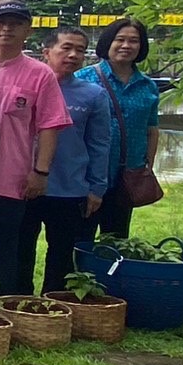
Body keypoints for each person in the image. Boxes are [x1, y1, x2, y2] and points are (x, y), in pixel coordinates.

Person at [0, 2, 71, 296]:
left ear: (27, 31)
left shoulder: (40, 75)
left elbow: (50, 125)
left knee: (6, 251)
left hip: (11, 179)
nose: (7, 29)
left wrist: (41, 171)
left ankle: (1, 311)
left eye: (15, 23)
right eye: (1, 22)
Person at [19, 28, 110, 294]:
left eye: (80, 50)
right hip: (23, 185)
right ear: (47, 52)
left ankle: (54, 304)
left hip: (69, 188)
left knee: (61, 254)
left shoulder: (93, 95)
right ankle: (18, 302)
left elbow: (99, 143)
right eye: (66, 48)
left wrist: (97, 187)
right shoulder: (26, 86)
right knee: (20, 249)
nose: (73, 55)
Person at [76, 18, 160, 239]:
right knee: (78, 239)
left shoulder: (148, 86)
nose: (126, 45)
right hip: (86, 173)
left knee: (115, 240)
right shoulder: (83, 78)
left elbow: (151, 128)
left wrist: (148, 165)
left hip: (126, 176)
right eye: (120, 39)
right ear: (107, 43)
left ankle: (109, 274)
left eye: (134, 41)